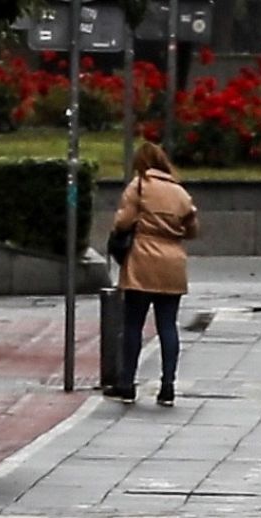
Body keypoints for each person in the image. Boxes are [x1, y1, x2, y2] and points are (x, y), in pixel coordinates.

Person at [108, 141, 198, 406]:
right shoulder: (179, 192)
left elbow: (122, 222)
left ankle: (127, 382)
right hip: (172, 262)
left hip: (142, 259)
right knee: (168, 326)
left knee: (133, 324)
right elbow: (192, 229)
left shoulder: (138, 186)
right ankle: (168, 385)